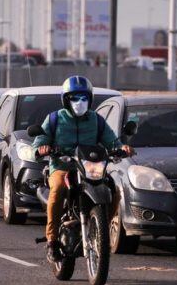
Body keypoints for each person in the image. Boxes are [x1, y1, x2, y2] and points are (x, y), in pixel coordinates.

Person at [32, 76, 134, 263]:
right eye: (75, 98)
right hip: (62, 167)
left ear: (90, 99)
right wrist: (42, 148)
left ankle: (99, 230)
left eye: (83, 98)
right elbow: (39, 142)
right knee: (58, 189)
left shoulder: (96, 120)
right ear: (66, 100)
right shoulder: (54, 119)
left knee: (113, 190)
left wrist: (121, 147)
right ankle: (52, 240)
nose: (80, 102)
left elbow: (111, 140)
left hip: (90, 168)